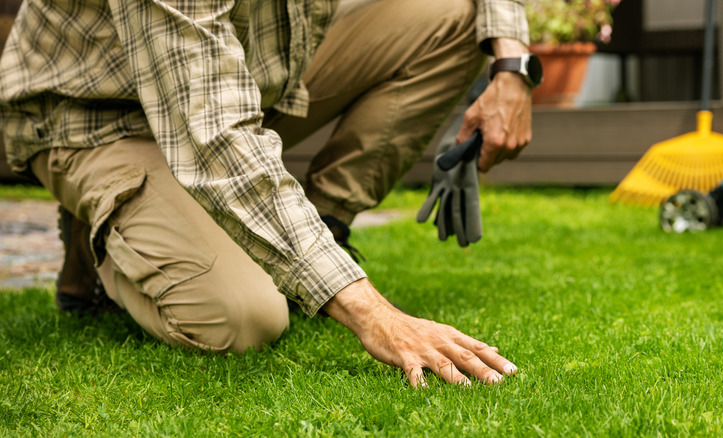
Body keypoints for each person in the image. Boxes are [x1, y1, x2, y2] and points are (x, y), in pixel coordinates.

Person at [0, 0, 535, 387]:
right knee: (244, 319)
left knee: (455, 17)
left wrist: (512, 68)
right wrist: (374, 314)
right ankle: (104, 228)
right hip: (98, 117)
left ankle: (322, 235)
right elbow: (215, 134)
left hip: (249, 75)